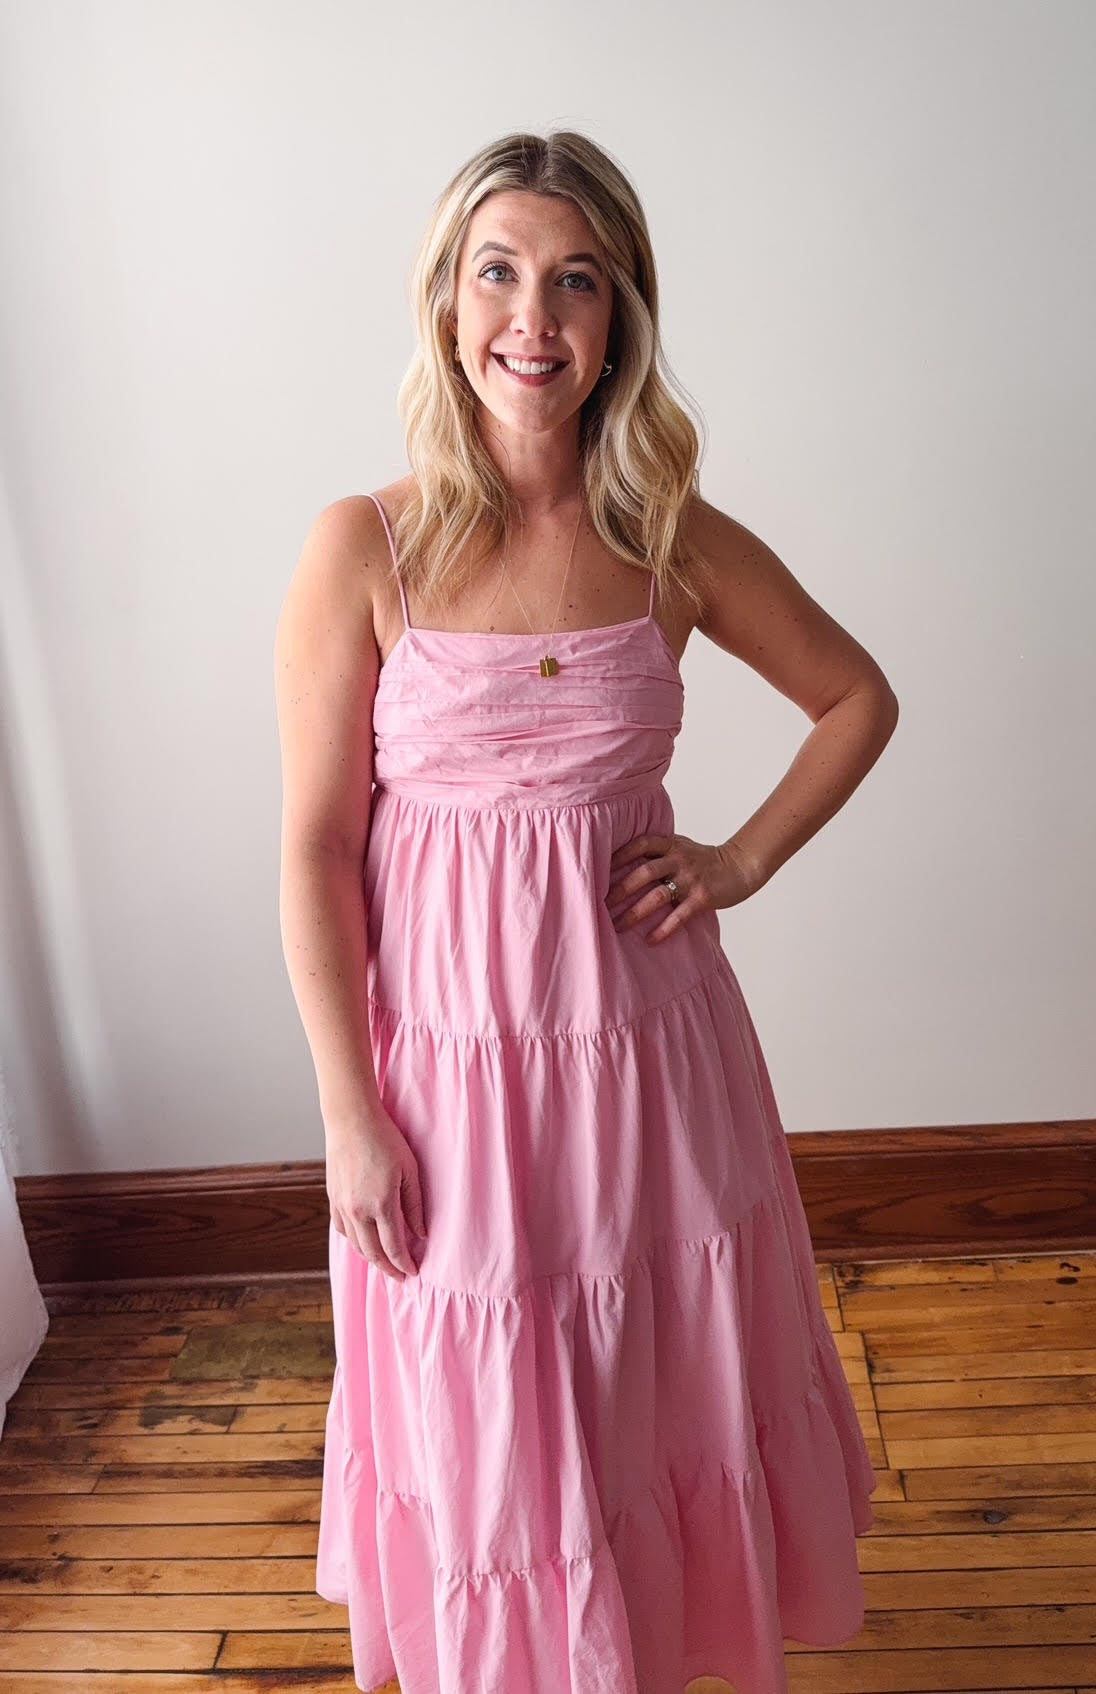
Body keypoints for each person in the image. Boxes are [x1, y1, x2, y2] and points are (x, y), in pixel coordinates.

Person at [275, 129, 897, 1694]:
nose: (531, 318)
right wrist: (348, 1111)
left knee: (645, 1385)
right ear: (446, 299)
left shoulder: (666, 539)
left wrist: (738, 862)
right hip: (449, 1076)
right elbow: (312, 847)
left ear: (620, 317)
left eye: (575, 281)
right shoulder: (368, 544)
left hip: (646, 1062)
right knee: (485, 1408)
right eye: (498, 272)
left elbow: (854, 697)